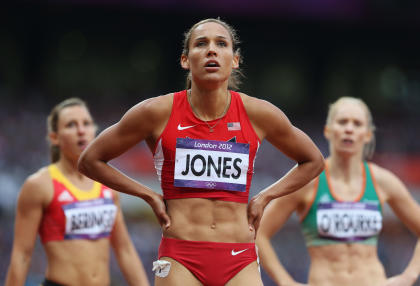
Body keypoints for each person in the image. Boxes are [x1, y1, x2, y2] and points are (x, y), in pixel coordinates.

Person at [77, 18, 324, 286]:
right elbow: (90, 160)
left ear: (235, 60)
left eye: (221, 44)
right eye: (201, 44)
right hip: (180, 256)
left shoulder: (259, 114)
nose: (211, 50)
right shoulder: (156, 112)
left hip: (239, 257)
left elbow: (313, 160)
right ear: (185, 59)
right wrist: (147, 194)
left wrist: (265, 197)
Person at [257, 96, 420, 286]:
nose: (349, 129)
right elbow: (258, 233)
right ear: (328, 131)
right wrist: (285, 282)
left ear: (367, 134)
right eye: (342, 122)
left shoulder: (382, 181)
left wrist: (409, 275)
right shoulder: (308, 180)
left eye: (357, 124)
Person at [5, 98, 150, 286]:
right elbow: (22, 255)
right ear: (55, 137)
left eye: (86, 123)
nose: (81, 130)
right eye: (71, 125)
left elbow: (124, 250)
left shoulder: (107, 183)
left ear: (94, 131)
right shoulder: (40, 185)